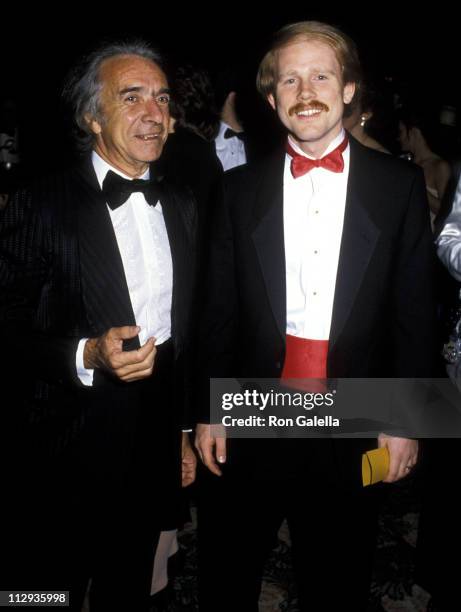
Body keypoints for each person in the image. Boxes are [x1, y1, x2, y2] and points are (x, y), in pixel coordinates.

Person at [195, 21, 435, 612]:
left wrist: (406, 421)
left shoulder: (399, 186)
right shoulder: (237, 189)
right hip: (253, 404)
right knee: (230, 566)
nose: (307, 91)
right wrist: (206, 412)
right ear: (271, 98)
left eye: (322, 75)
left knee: (338, 569)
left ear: (349, 88)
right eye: (290, 79)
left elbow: (415, 311)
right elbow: (216, 311)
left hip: (354, 407)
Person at [0, 40, 197, 612]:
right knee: (40, 590)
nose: (153, 113)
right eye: (130, 96)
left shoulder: (181, 202)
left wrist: (182, 430)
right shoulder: (41, 203)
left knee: (129, 586)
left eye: (161, 99)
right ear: (92, 116)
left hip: (150, 442)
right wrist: (84, 354)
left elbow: (183, 330)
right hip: (62, 442)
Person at [398, 109, 451, 227]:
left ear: (414, 132)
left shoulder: (440, 166)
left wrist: (416, 183)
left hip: (428, 239)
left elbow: (446, 211)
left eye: (401, 132)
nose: (399, 137)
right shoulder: (406, 162)